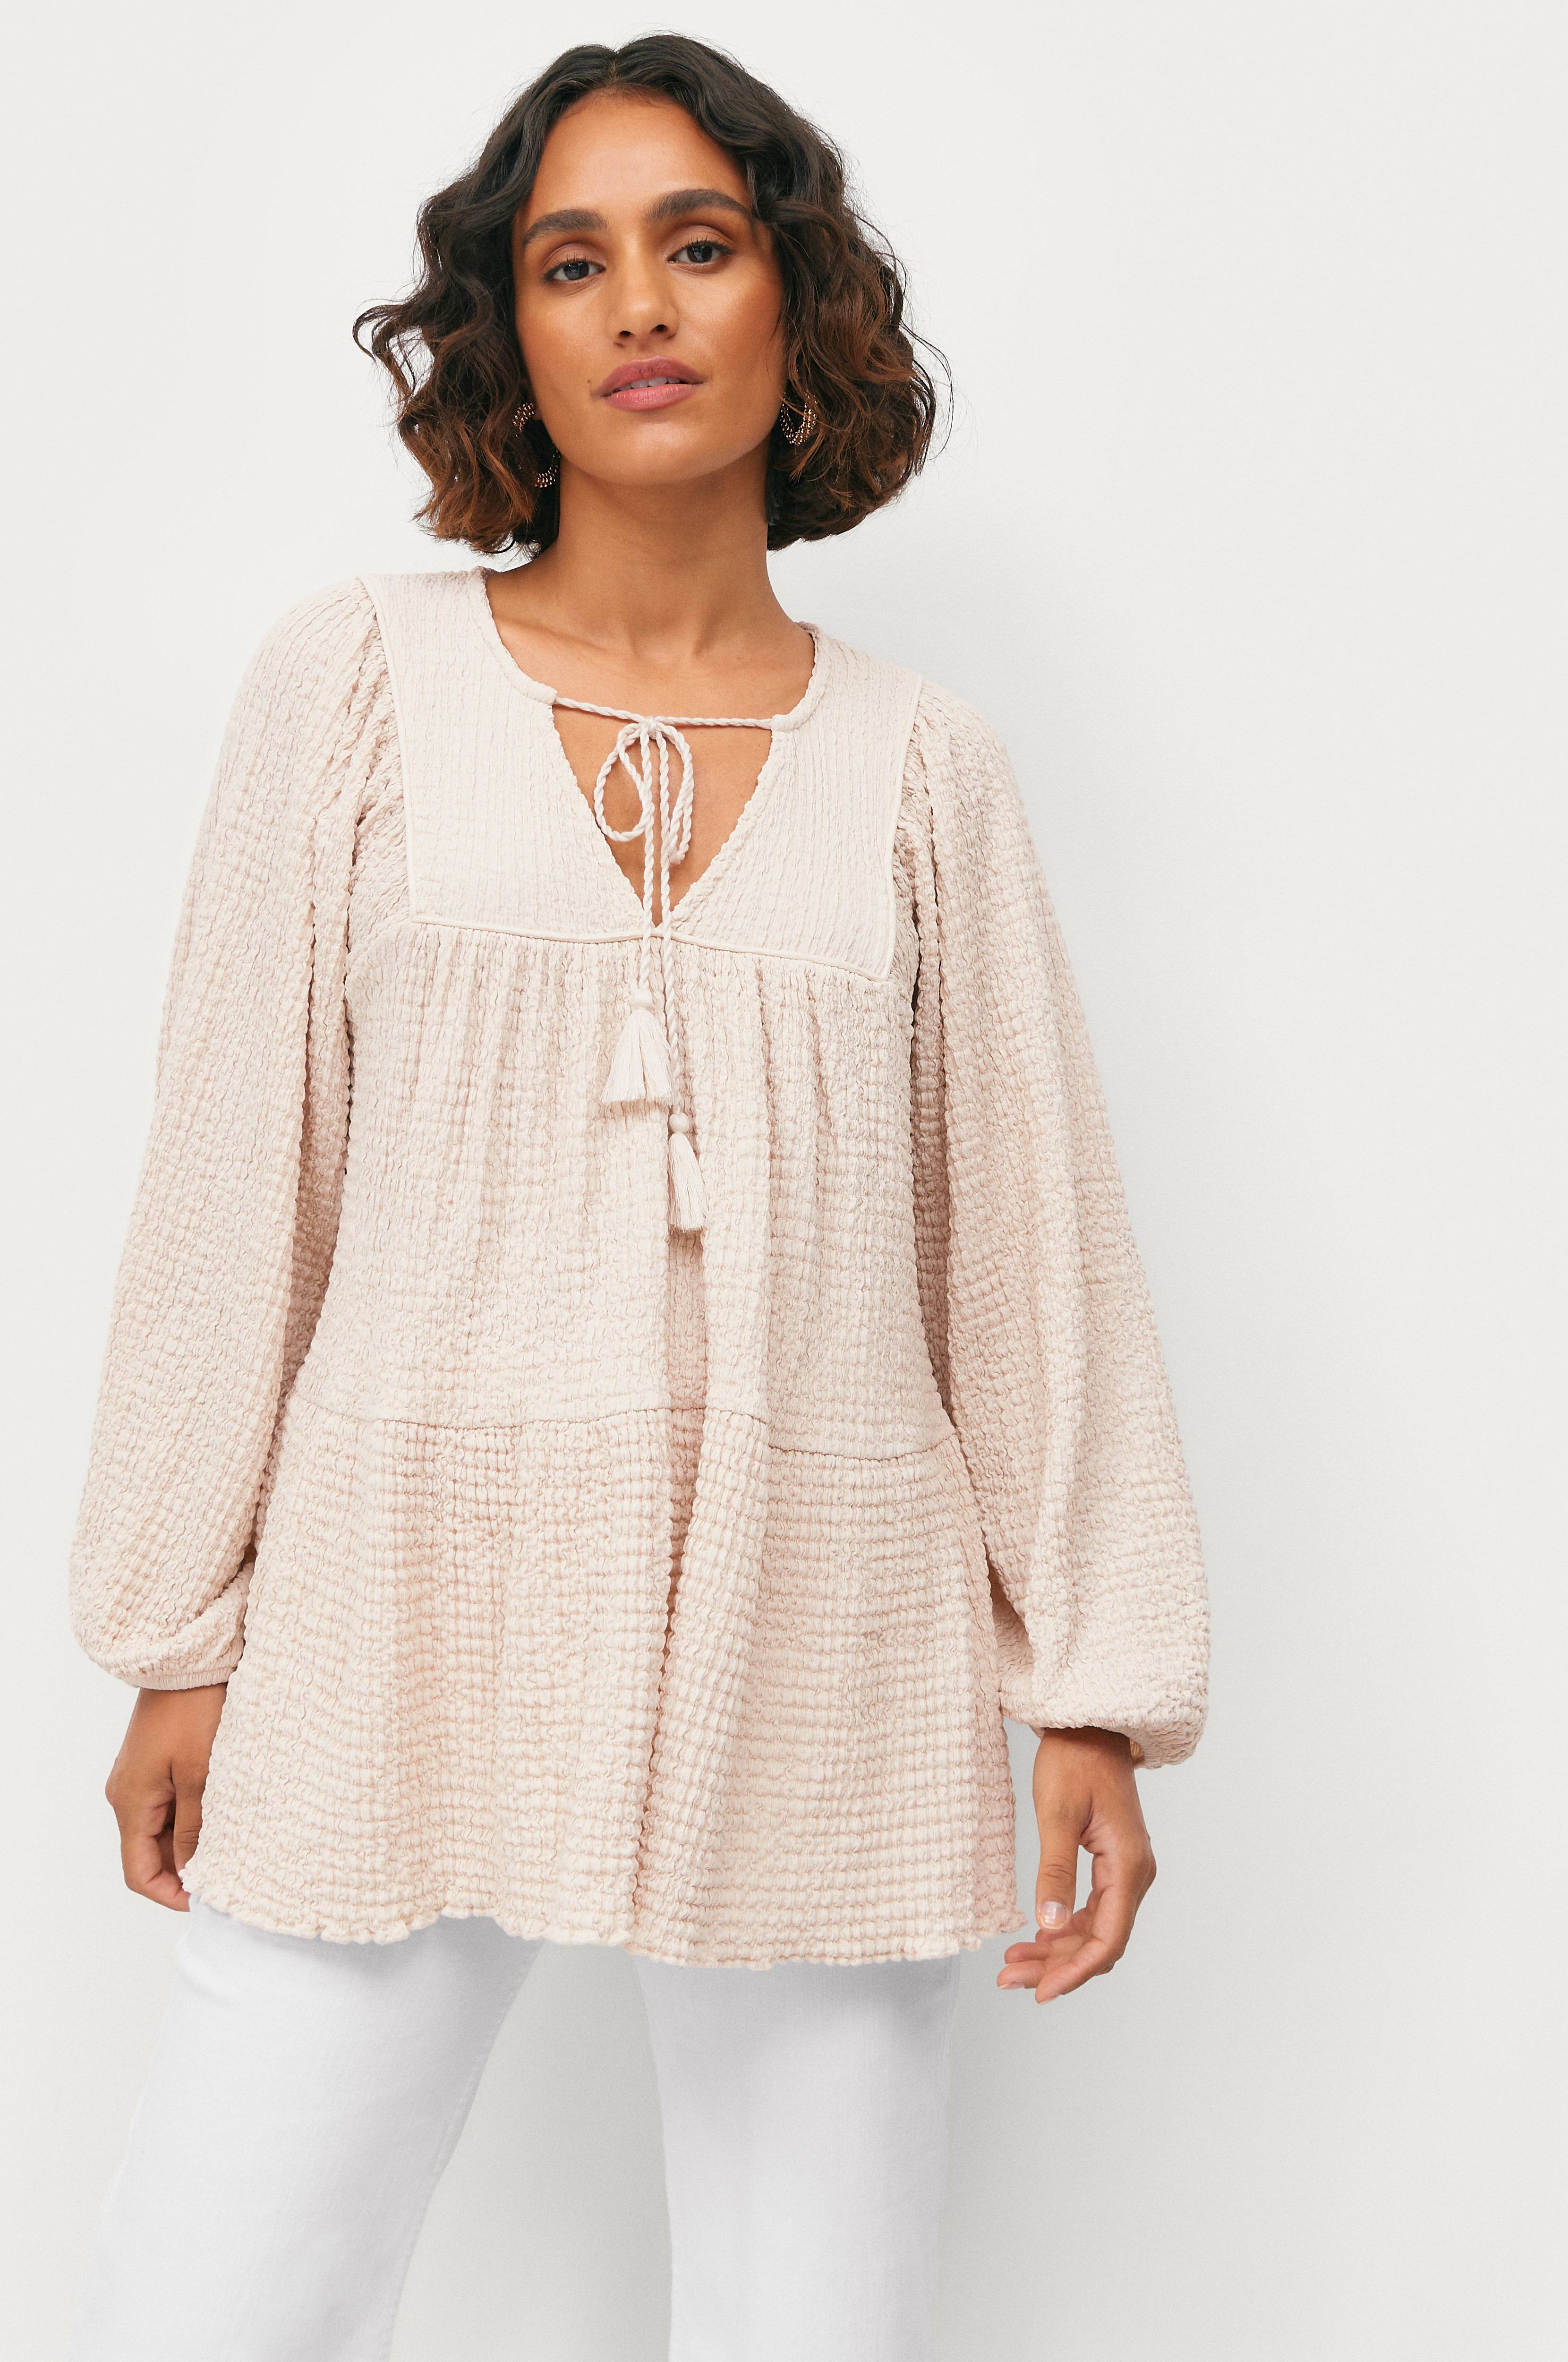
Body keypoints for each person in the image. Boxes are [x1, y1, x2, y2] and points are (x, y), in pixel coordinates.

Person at [66, 34, 1209, 2362]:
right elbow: (233, 1175)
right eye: (570, 262)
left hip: (829, 1623)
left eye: (696, 243)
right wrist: (179, 1626)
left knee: (818, 2323)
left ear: (797, 301)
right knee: (210, 2299)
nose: (640, 307)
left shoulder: (922, 766)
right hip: (397, 1601)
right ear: (511, 328)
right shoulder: (354, 686)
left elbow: (1025, 1241)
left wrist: (1088, 1688)